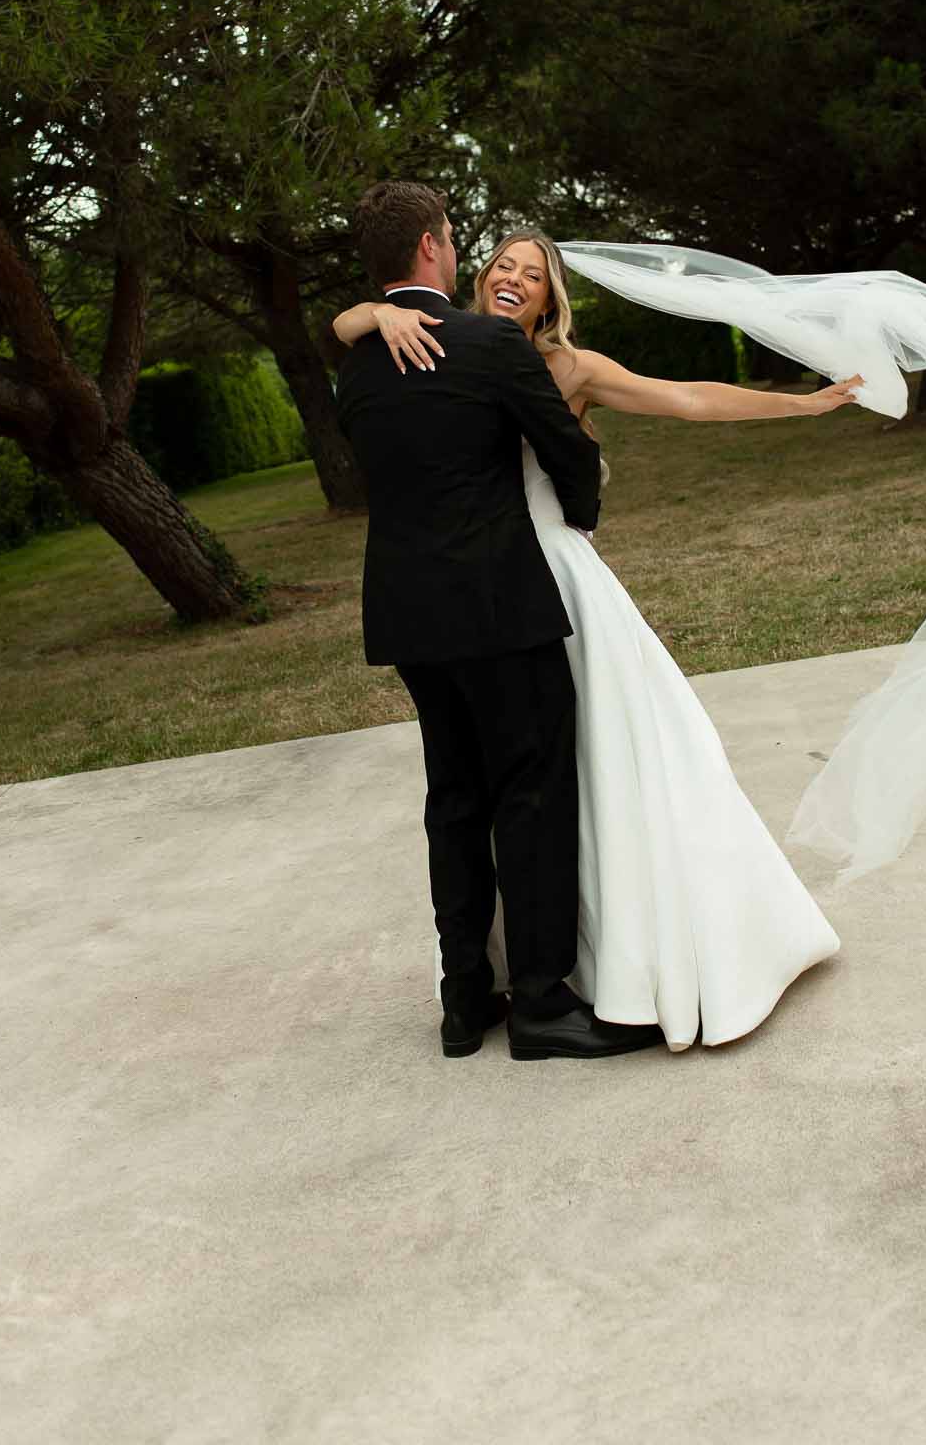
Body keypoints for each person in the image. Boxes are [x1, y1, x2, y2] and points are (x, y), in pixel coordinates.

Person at [334, 224, 862, 1051]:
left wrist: (805, 401)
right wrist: (372, 313)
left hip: (527, 589)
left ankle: (528, 976)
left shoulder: (564, 367)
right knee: (521, 788)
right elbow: (363, 333)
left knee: (573, 773)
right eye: (503, 266)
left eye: (533, 275)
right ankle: (531, 990)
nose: (515, 279)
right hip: (502, 594)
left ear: (551, 299)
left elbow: (685, 397)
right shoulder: (428, 345)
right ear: (467, 273)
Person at [334, 184, 666, 1063]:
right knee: (531, 792)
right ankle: (544, 1003)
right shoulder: (487, 345)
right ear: (436, 248)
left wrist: (365, 313)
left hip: (406, 614)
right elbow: (569, 455)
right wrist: (584, 516)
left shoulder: (356, 361)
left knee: (454, 801)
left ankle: (462, 1000)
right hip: (499, 607)